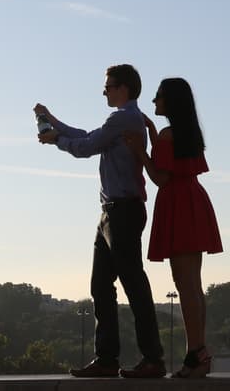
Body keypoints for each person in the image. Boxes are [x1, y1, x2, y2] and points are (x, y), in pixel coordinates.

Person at [35, 64, 166, 379]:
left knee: (130, 285)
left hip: (120, 210)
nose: (104, 91)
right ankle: (112, 358)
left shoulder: (122, 118)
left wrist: (56, 139)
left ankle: (146, 358)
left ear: (123, 88)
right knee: (105, 285)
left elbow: (86, 146)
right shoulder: (125, 118)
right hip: (114, 210)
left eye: (108, 86)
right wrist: (54, 123)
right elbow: (90, 137)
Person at [124, 77, 222, 379]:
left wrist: (139, 150)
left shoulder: (169, 135)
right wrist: (154, 133)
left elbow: (161, 177)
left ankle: (196, 355)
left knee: (184, 285)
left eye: (159, 97)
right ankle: (199, 352)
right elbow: (173, 162)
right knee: (194, 285)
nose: (154, 102)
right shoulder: (186, 132)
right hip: (194, 200)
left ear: (171, 101)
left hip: (177, 205)